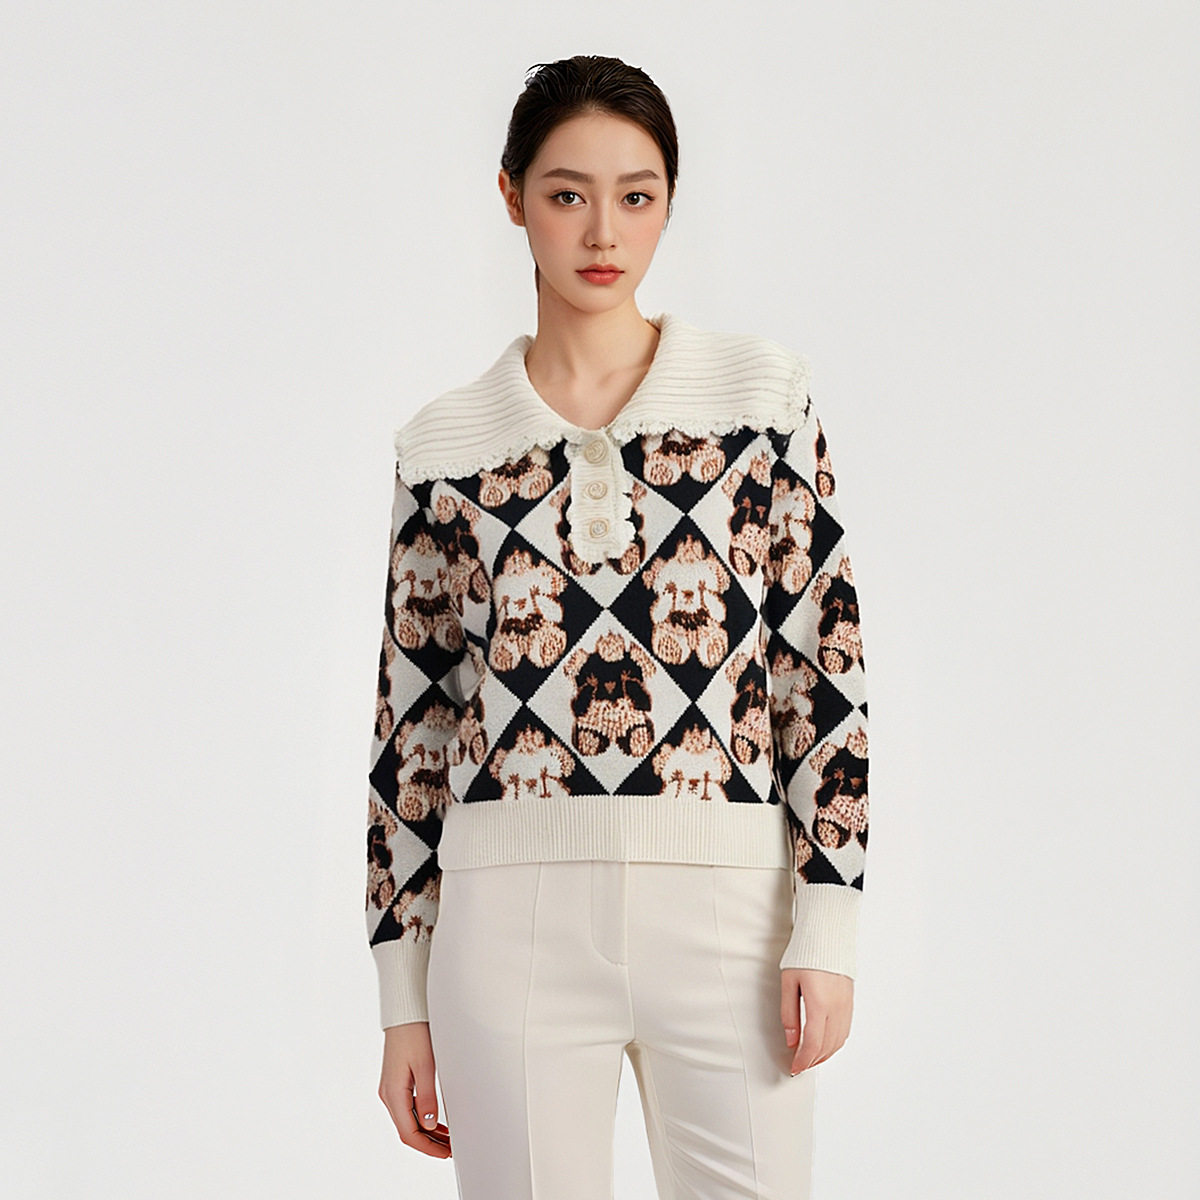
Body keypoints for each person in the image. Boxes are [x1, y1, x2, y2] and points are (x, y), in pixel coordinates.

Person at [366, 54, 870, 1200]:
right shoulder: (444, 447)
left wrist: (829, 924)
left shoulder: (762, 402)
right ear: (512, 197)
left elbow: (821, 670)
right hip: (508, 925)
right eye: (567, 194)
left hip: (733, 917)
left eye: (636, 196)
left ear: (669, 203)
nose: (604, 232)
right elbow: (415, 731)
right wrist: (403, 999)